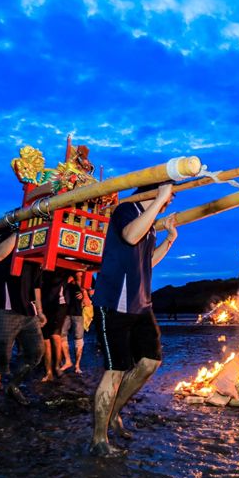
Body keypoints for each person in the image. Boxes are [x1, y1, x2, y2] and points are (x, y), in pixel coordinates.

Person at [89, 183, 177, 457]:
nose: (170, 201)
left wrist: (169, 239)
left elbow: (147, 262)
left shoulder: (148, 221)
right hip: (114, 302)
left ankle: (114, 412)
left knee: (150, 362)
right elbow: (129, 236)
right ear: (156, 189)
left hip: (140, 304)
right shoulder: (127, 210)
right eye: (170, 194)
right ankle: (98, 440)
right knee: (114, 370)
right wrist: (158, 200)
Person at [0, 233, 46, 417]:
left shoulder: (34, 250)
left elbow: (36, 285)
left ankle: (12, 385)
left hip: (28, 312)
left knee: (36, 353)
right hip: (4, 309)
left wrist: (40, 310)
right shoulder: (4, 244)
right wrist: (20, 228)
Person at [60, 271, 86, 374]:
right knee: (62, 335)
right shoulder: (68, 276)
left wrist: (85, 293)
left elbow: (93, 291)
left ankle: (77, 365)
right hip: (65, 311)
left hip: (78, 313)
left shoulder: (86, 278)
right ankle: (67, 360)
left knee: (79, 339)